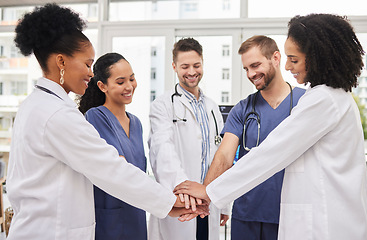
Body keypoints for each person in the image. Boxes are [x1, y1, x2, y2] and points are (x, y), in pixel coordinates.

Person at [6, 4, 201, 240]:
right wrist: (169, 202)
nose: (91, 72)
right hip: (51, 231)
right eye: (87, 64)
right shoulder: (57, 114)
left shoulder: (36, 105)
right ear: (61, 61)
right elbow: (109, 167)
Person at [175, 13, 367, 240]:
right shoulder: (330, 97)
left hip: (325, 223)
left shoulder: (322, 100)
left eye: (294, 59)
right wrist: (210, 193)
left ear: (317, 57)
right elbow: (227, 156)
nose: (288, 66)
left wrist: (209, 191)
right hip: (275, 214)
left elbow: (272, 152)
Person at [201, 35, 305, 240]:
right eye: (246, 69)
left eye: (255, 65)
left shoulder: (304, 103)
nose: (251, 74)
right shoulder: (242, 109)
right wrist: (205, 194)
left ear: (276, 58)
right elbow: (224, 156)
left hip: (289, 213)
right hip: (246, 214)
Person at [148, 37, 229, 240]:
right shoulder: (163, 105)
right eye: (185, 66)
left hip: (210, 200)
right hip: (183, 201)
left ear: (203, 64)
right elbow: (162, 149)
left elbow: (222, 155)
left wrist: (225, 201)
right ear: (174, 67)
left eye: (196, 65)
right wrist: (184, 189)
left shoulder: (212, 107)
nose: (192, 72)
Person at [78, 53, 148, 239]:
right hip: (111, 218)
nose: (129, 86)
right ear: (102, 86)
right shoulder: (95, 116)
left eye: (132, 79)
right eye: (120, 82)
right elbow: (117, 168)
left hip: (138, 213)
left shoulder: (137, 123)